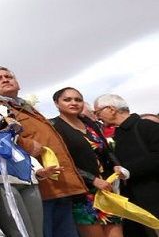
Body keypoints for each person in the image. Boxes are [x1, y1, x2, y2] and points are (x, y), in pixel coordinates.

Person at [0, 67, 86, 237]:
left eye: (9, 76)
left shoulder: (27, 107)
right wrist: (27, 145)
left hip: (60, 185)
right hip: (35, 187)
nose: (5, 79)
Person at [0, 75, 45, 237]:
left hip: (27, 176)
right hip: (0, 180)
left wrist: (37, 168)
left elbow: (16, 145)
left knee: (37, 233)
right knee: (19, 233)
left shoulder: (3, 110)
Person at [50, 87, 124, 237]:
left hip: (107, 189)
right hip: (83, 193)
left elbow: (107, 149)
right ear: (57, 103)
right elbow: (62, 162)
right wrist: (92, 180)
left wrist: (116, 164)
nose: (74, 103)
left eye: (78, 99)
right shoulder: (54, 127)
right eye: (67, 99)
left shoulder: (90, 123)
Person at [94, 94, 159, 237]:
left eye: (98, 112)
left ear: (111, 109)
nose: (98, 117)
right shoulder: (118, 134)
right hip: (135, 202)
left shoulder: (146, 126)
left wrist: (128, 170)